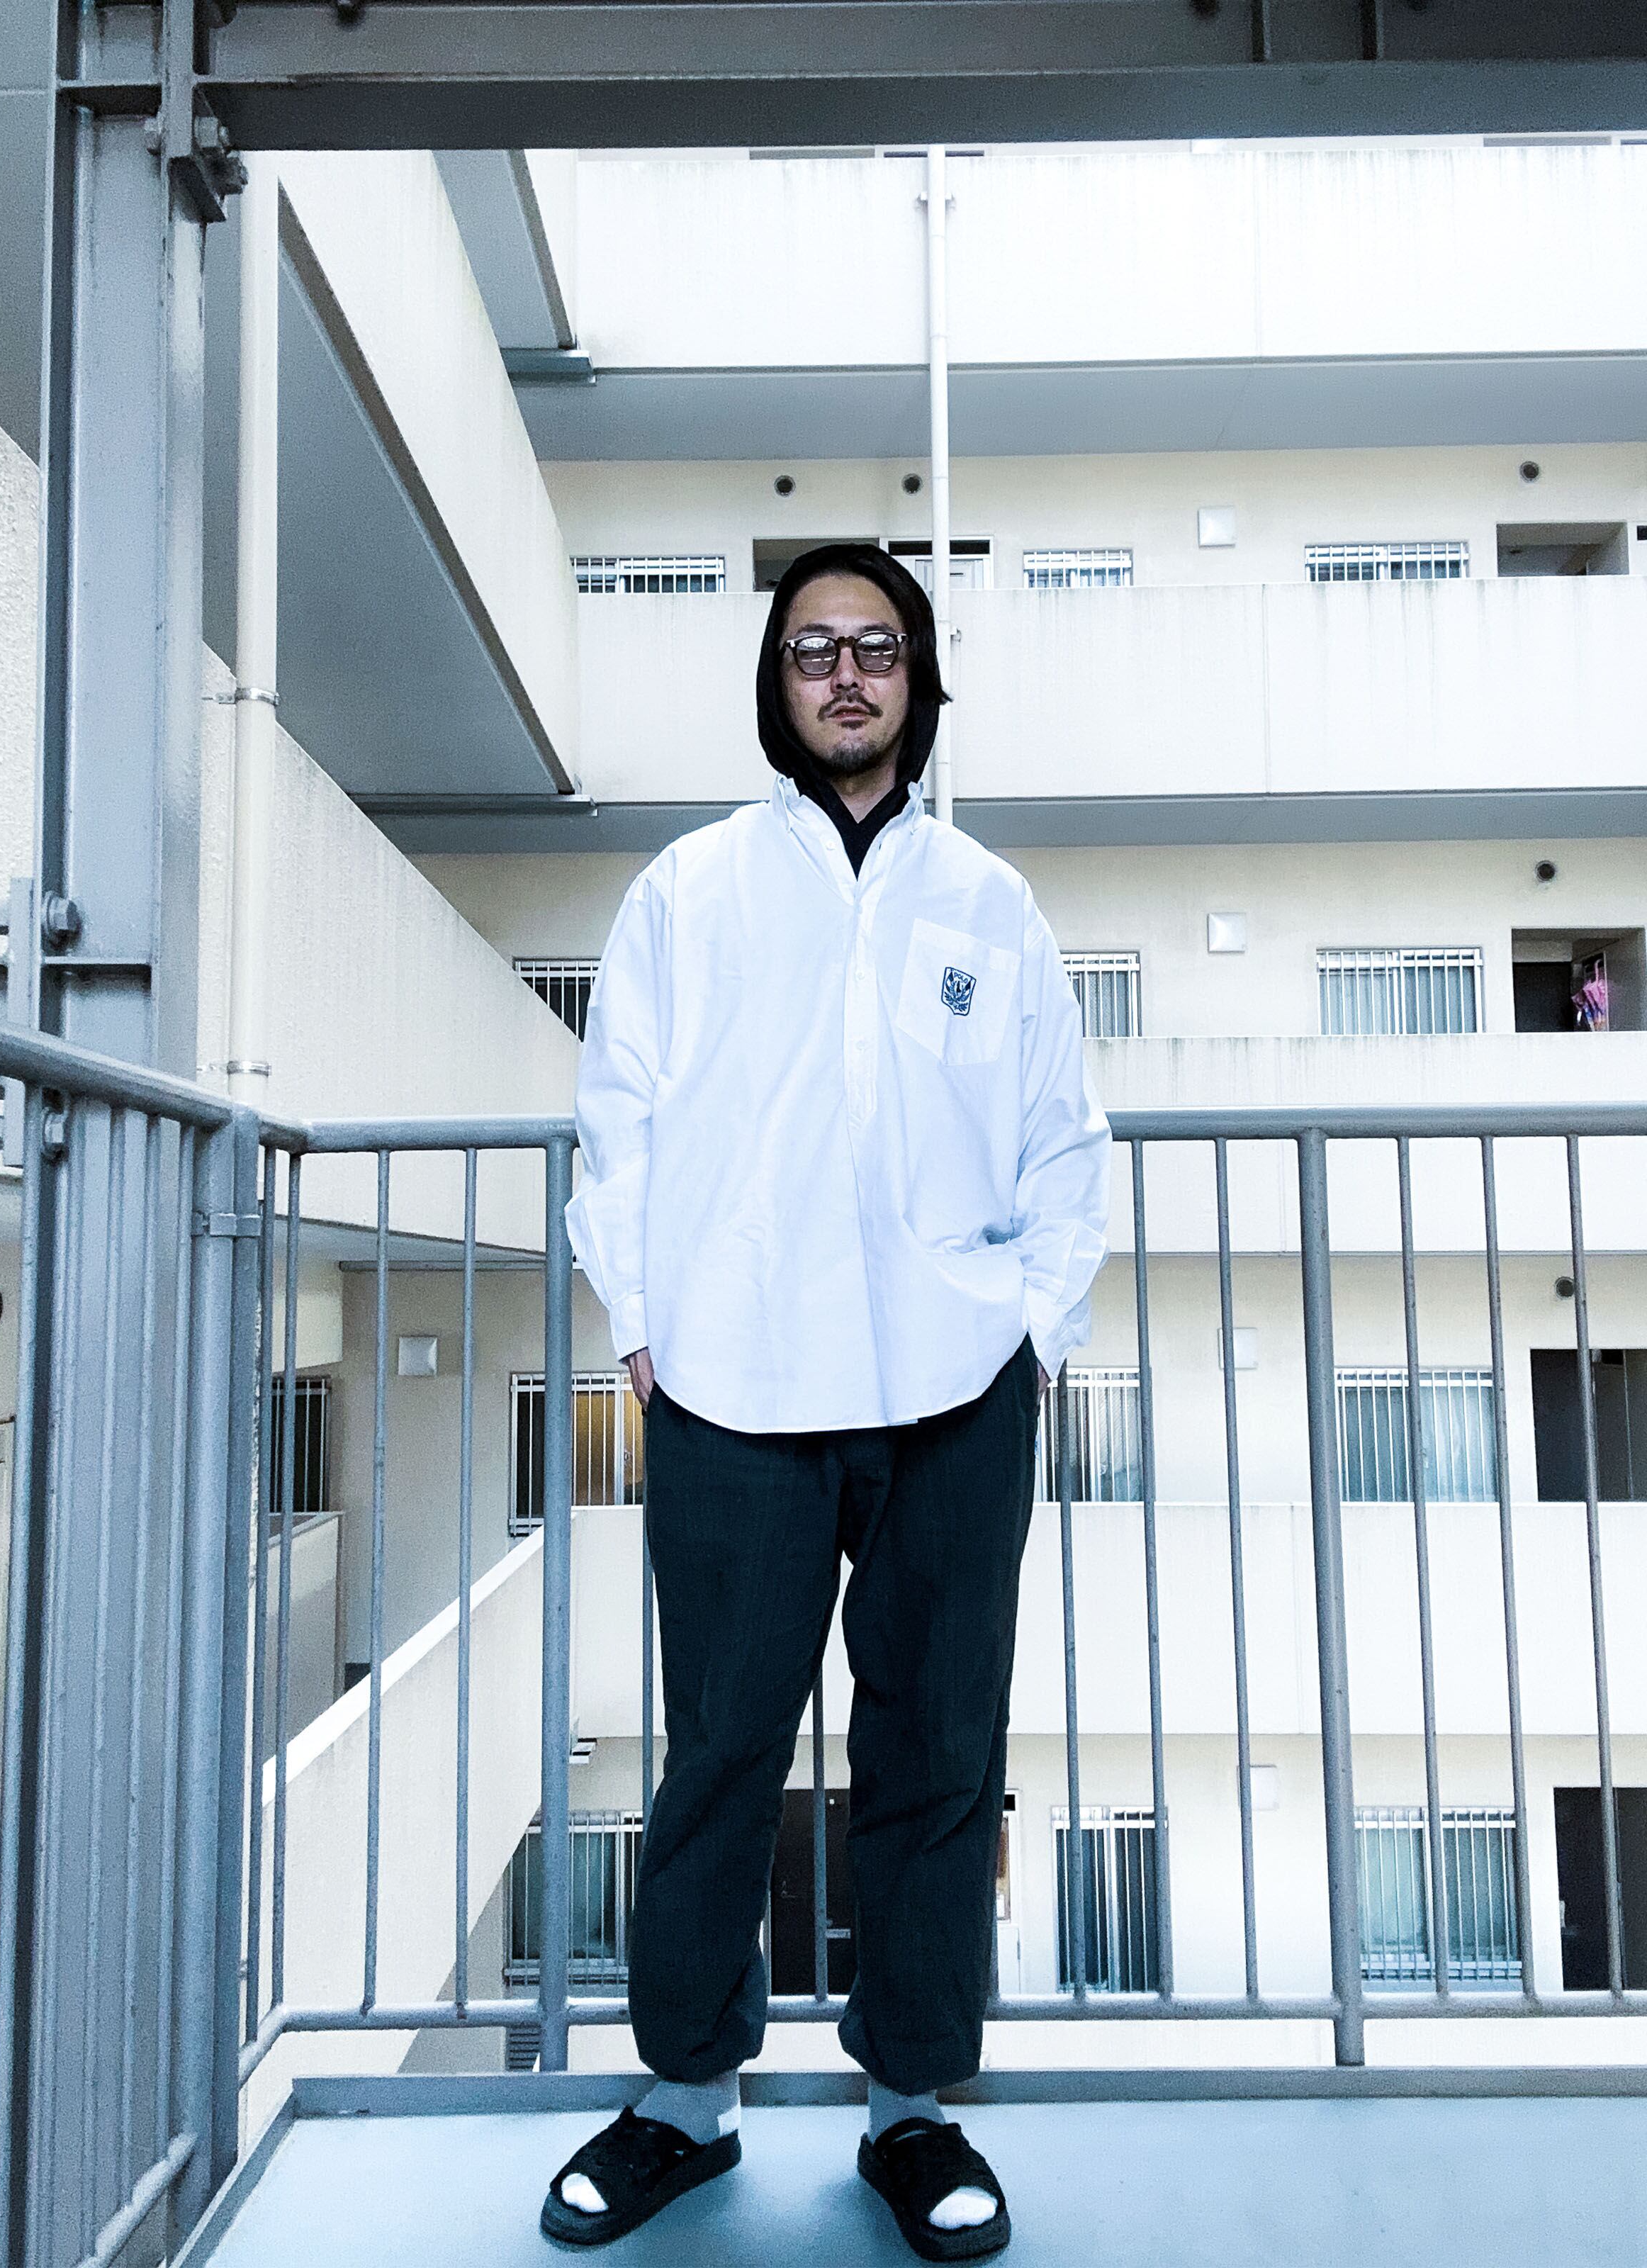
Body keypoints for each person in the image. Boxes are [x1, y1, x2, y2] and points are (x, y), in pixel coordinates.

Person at [545, 541, 1111, 2258]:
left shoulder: (990, 904)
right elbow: (617, 1121)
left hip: (955, 1391)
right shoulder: (690, 890)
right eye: (813, 649)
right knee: (722, 1749)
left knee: (935, 1755)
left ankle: (911, 2111)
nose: (846, 674)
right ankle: (682, 2102)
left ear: (919, 680)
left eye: (876, 646)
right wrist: (645, 1327)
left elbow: (1065, 1141)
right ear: (777, 684)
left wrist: (1029, 1333)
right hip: (732, 1383)